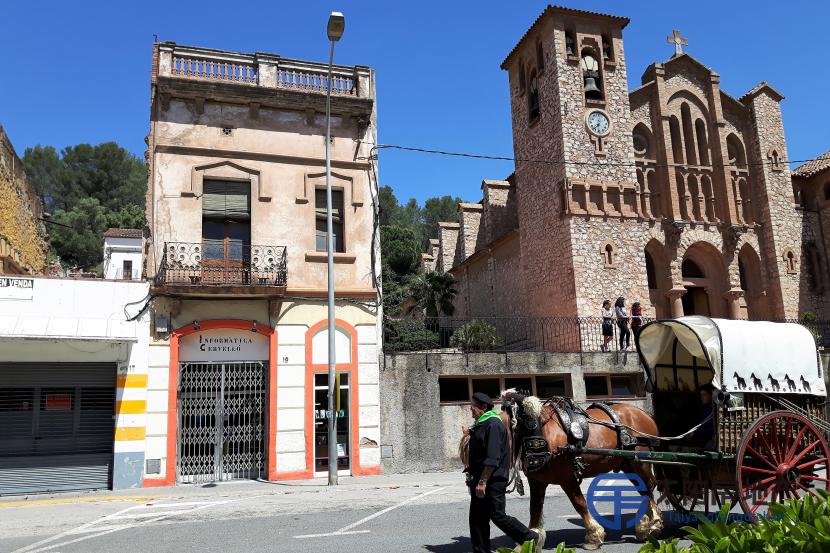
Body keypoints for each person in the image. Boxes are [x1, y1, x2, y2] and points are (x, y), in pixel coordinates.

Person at [465, 392, 540, 553]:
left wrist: (482, 482)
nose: (470, 409)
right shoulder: (482, 424)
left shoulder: (493, 424)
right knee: (477, 519)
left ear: (483, 408)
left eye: (473, 406)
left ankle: (529, 537)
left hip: (492, 481)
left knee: (498, 516)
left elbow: (492, 458)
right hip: (480, 479)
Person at [692, 383, 716, 449]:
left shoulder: (716, 411)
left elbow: (714, 429)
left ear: (711, 396)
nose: (702, 397)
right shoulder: (704, 409)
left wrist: (696, 433)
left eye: (704, 395)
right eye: (701, 395)